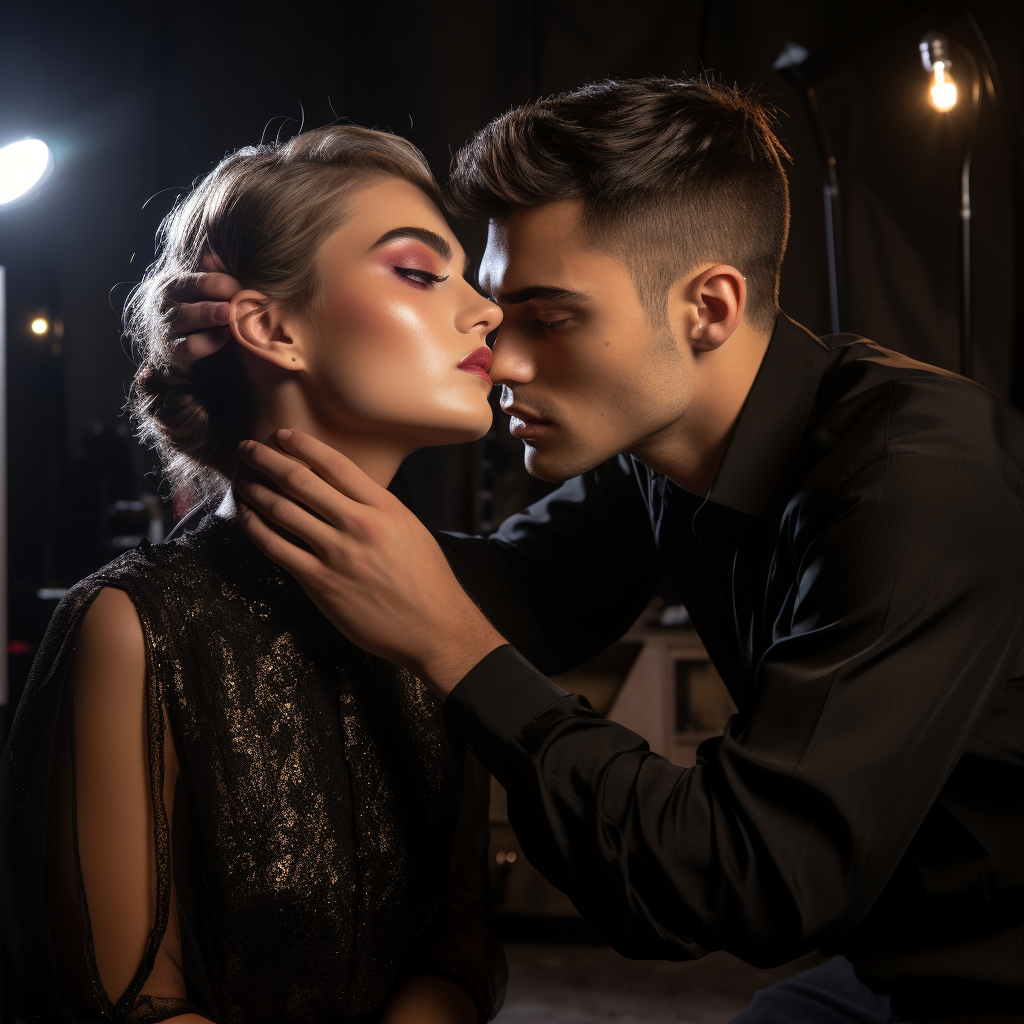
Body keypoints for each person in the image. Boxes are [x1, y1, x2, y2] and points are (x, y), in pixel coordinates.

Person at [170, 79, 1024, 1023]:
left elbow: (746, 880)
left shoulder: (916, 480)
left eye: (554, 317)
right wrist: (254, 398)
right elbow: (516, 592)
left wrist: (456, 653)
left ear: (708, 306)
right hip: (885, 970)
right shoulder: (667, 455)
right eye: (502, 314)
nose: (506, 362)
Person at [0, 126, 507, 1024]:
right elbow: (121, 1004)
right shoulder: (133, 624)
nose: (487, 311)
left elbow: (460, 949)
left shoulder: (450, 615)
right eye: (423, 274)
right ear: (271, 327)